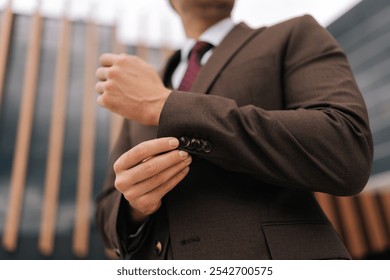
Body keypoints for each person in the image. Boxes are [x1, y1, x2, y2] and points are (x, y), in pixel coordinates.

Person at [94, 0, 373, 260]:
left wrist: (165, 104)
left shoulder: (294, 34)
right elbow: (107, 209)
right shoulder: (142, 88)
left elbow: (346, 146)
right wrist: (134, 208)